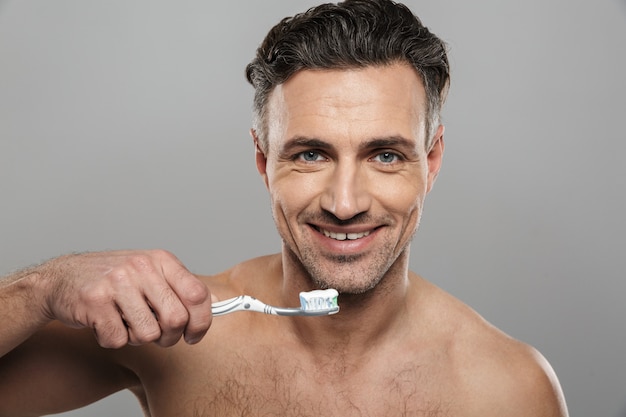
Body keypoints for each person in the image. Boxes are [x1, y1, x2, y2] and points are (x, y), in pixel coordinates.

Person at [0, 0, 569, 416]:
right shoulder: (174, 336)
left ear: (433, 159)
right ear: (262, 159)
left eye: (387, 155)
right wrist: (42, 288)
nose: (345, 203)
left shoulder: (508, 388)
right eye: (311, 154)